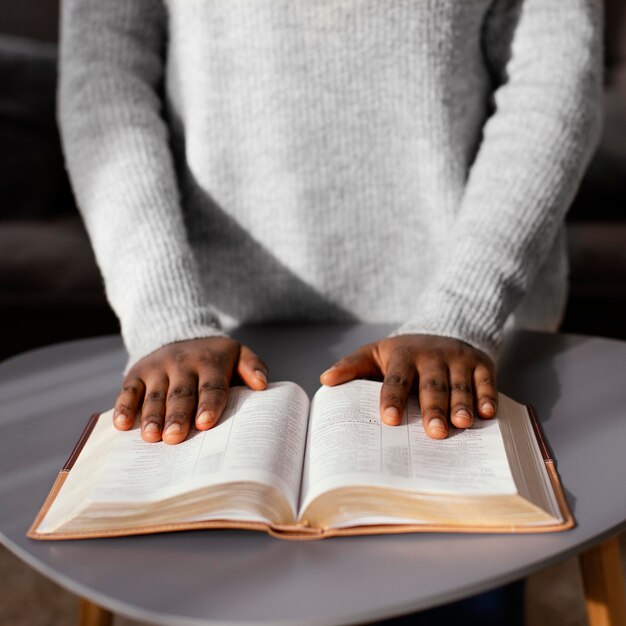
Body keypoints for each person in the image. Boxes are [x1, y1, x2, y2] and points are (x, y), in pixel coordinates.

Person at [58, 1, 601, 449]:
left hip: (469, 329)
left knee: (466, 566)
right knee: (208, 570)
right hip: (215, 341)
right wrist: (164, 313)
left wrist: (462, 309)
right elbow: (105, 82)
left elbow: (552, 82)